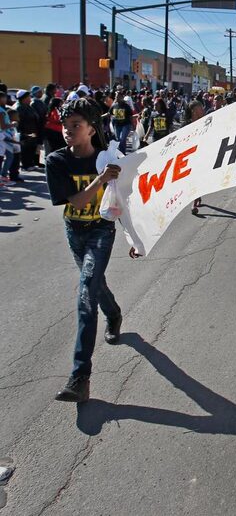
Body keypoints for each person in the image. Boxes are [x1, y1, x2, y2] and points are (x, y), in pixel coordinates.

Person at [45, 98, 124, 403]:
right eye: (65, 125)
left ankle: (80, 377)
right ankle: (114, 313)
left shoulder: (111, 159)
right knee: (95, 283)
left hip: (102, 231)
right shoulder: (57, 161)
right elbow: (75, 202)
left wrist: (136, 239)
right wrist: (101, 180)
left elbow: (128, 196)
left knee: (85, 295)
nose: (68, 131)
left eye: (75, 125)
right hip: (75, 232)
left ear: (92, 129)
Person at [183, 100, 207, 215]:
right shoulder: (186, 125)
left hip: (203, 153)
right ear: (193, 111)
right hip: (190, 155)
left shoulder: (207, 122)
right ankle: (196, 198)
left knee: (198, 177)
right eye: (200, 109)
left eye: (202, 108)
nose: (203, 110)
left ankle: (195, 199)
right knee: (193, 179)